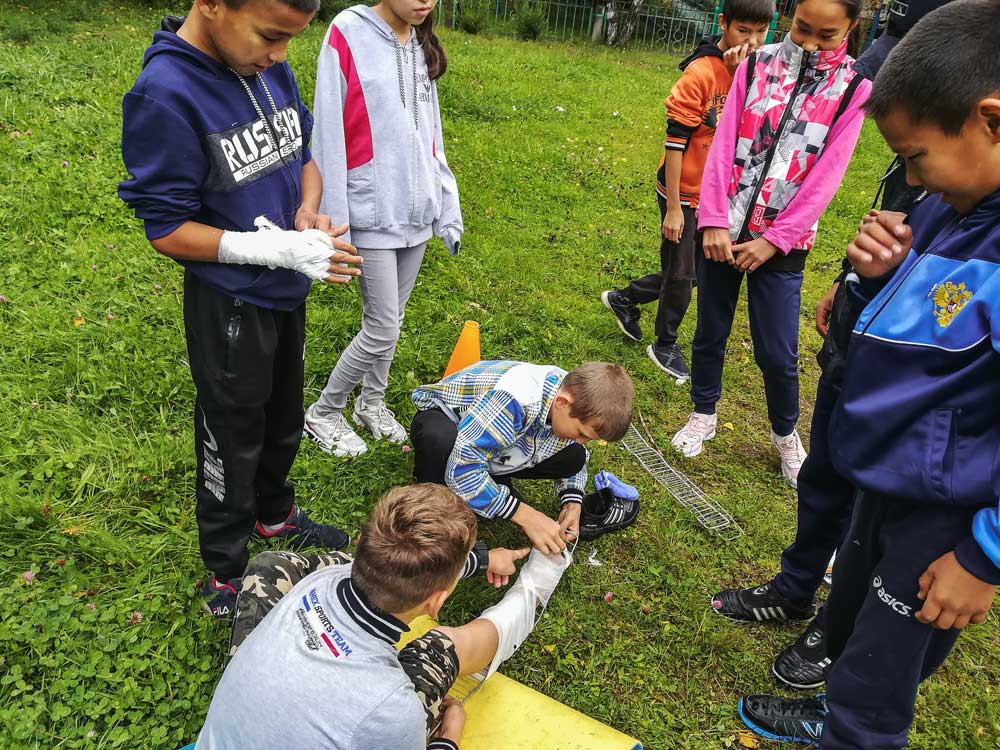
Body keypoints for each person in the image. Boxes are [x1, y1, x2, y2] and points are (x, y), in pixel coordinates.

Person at [737, 3, 1000, 745]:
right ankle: (834, 706)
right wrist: (873, 280)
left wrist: (984, 555)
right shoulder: (954, 204)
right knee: (855, 627)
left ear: (990, 121)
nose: (911, 180)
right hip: (886, 480)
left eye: (915, 157)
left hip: (943, 515)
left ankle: (849, 727)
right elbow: (927, 314)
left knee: (875, 690)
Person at [709, 0, 952, 694]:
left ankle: (835, 628)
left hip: (913, 386)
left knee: (872, 514)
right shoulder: (934, 171)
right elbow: (897, 220)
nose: (911, 171)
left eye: (916, 155)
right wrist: (854, 285)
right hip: (861, 332)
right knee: (826, 474)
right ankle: (795, 588)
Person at [118, 0, 364, 617]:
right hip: (230, 303)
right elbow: (166, 228)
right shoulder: (164, 94)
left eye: (289, 41)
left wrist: (306, 215)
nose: (279, 55)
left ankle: (274, 515)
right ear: (211, 4)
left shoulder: (267, 67)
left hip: (284, 291)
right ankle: (226, 567)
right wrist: (266, 249)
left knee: (284, 413)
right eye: (270, 36)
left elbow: (303, 158)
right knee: (232, 431)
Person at [194, 484, 572, 750]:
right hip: (379, 712)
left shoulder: (317, 580)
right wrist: (447, 740)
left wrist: (483, 559)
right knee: (441, 648)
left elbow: (388, 563)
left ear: (362, 544)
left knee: (271, 567)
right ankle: (531, 594)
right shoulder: (391, 709)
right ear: (437, 601)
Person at [669, 0, 871, 490]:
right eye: (802, 28)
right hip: (722, 231)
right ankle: (703, 412)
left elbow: (827, 177)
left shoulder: (854, 88)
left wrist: (774, 241)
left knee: (778, 353)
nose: (809, 43)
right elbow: (721, 147)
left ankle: (785, 436)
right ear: (791, 15)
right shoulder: (755, 64)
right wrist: (713, 221)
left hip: (782, 247)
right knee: (710, 331)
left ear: (851, 27)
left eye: (826, 35)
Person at [302, 0, 463, 458]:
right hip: (368, 209)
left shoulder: (419, 41)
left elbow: (432, 134)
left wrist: (444, 203)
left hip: (416, 212)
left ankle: (370, 404)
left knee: (393, 319)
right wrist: (335, 219)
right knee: (382, 327)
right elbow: (327, 130)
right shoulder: (347, 32)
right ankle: (324, 412)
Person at [600, 0, 775, 380]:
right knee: (681, 274)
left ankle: (625, 298)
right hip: (682, 189)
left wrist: (742, 78)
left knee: (690, 273)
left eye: (761, 32)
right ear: (723, 23)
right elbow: (675, 144)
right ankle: (665, 344)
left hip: (718, 193)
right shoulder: (700, 73)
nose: (752, 41)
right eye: (743, 30)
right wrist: (675, 208)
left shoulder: (757, 71)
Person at [410, 361, 636, 554]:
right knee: (438, 440)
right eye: (581, 433)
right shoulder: (515, 400)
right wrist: (523, 514)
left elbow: (578, 459)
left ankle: (490, 479)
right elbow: (462, 467)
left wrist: (573, 501)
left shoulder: (574, 401)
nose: (581, 441)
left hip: (497, 437)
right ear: (562, 402)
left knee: (574, 457)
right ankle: (432, 502)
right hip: (449, 420)